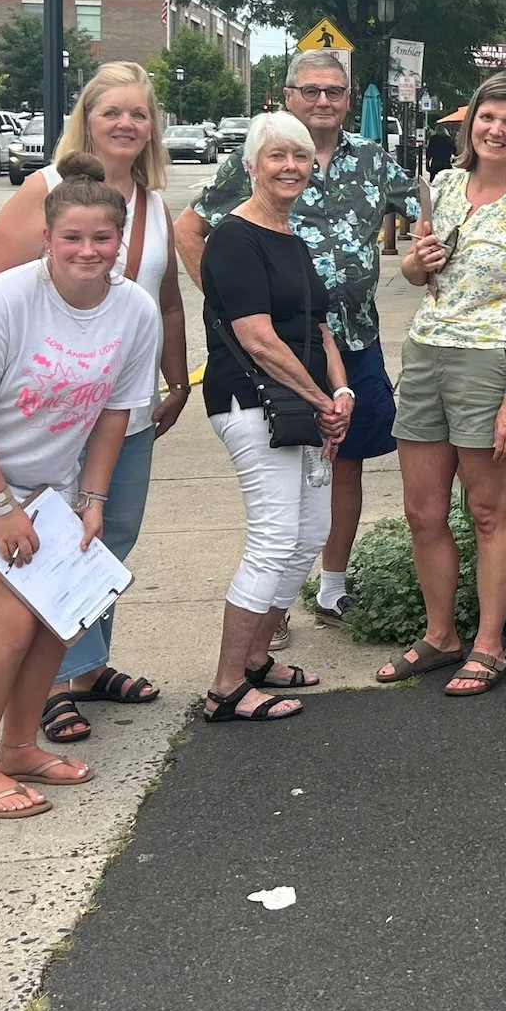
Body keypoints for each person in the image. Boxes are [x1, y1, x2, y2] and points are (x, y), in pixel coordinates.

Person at [0, 153, 160, 817]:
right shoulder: (6, 300)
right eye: (71, 238)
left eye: (101, 238)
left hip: (48, 478)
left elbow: (114, 413)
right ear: (48, 239)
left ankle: (20, 746)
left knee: (60, 609)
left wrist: (93, 500)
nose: (87, 251)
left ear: (121, 240)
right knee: (11, 619)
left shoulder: (134, 310)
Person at [0, 62, 191, 746]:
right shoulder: (43, 191)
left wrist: (178, 378)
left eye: (139, 114)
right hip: (52, 411)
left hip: (126, 410)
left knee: (111, 536)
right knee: (54, 544)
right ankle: (52, 683)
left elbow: (164, 300)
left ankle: (90, 662)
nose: (128, 124)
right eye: (113, 113)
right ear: (87, 119)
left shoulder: (153, 202)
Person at [177, 48, 397, 639]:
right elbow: (190, 227)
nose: (323, 101)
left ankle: (331, 585)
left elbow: (426, 208)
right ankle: (265, 611)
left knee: (343, 466)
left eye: (335, 92)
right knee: (278, 491)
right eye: (311, 91)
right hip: (273, 355)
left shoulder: (375, 160)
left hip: (351, 339)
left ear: (349, 99)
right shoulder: (254, 159)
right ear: (288, 94)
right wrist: (233, 308)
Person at [378, 71, 506, 698]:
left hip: (488, 364)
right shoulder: (444, 187)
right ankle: (440, 635)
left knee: (486, 509)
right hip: (427, 351)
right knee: (423, 512)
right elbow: (412, 267)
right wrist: (413, 260)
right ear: (472, 123)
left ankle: (487, 641)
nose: (496, 130)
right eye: (488, 118)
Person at [196, 114, 350, 725]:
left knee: (309, 533)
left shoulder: (291, 236)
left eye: (302, 157)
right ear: (251, 165)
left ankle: (258, 658)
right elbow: (257, 338)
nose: (290, 167)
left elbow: (318, 326)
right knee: (273, 536)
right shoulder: (234, 238)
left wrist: (340, 396)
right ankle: (226, 685)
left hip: (302, 404)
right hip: (252, 404)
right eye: (277, 156)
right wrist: (318, 399)